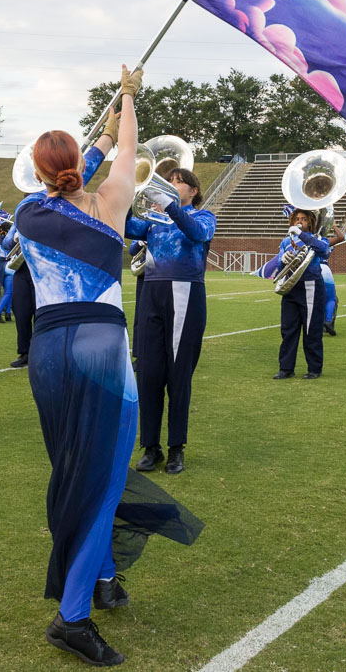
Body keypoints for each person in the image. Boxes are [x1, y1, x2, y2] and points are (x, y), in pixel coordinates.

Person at [19, 66, 202, 667]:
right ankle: (71, 617)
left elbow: (89, 162)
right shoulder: (114, 202)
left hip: (46, 351)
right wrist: (127, 97)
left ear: (38, 171)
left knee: (78, 471)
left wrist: (101, 126)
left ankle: (102, 579)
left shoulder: (25, 215)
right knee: (99, 481)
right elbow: (125, 149)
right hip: (100, 350)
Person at [126, 166, 216, 476]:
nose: (172, 185)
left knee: (179, 377)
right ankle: (150, 447)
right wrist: (128, 191)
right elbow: (126, 227)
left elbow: (195, 233)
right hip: (152, 290)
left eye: (179, 182)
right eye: (171, 181)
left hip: (185, 294)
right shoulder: (152, 219)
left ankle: (177, 448)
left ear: (193, 191)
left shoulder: (204, 217)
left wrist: (171, 206)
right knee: (149, 374)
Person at [6, 116, 116, 369]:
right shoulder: (99, 207)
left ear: (36, 175)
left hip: (49, 335)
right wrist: (110, 136)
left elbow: (66, 185)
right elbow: (74, 183)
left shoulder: (26, 211)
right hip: (98, 331)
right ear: (78, 168)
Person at [273, 209, 331, 380]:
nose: (299, 222)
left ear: (310, 222)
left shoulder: (317, 239)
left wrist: (301, 234)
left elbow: (324, 251)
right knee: (288, 329)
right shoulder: (286, 241)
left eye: (304, 219)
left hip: (311, 285)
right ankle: (286, 368)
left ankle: (314, 368)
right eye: (297, 219)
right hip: (291, 286)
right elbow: (278, 266)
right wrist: (283, 259)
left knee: (311, 329)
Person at [0, 230, 15, 322]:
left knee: (8, 291)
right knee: (9, 292)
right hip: (9, 265)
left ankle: (8, 313)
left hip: (2, 267)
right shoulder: (9, 241)